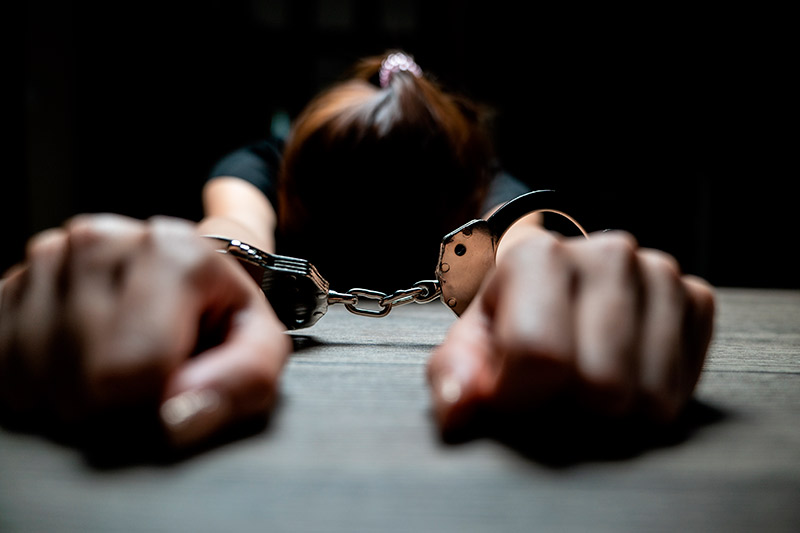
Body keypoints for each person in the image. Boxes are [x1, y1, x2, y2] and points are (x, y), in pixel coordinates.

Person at [0, 52, 714, 449]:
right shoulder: (258, 163)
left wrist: (550, 270)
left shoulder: (489, 187)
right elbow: (233, 232)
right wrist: (204, 260)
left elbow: (523, 244)